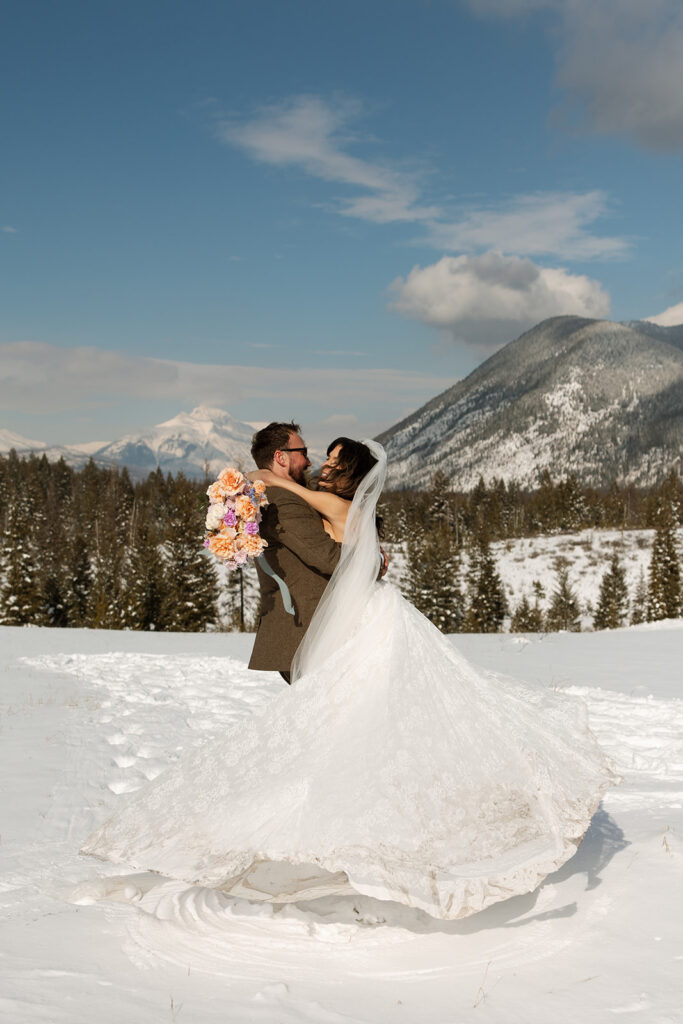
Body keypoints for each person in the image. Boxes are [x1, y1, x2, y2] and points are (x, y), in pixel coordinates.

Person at [80, 439, 617, 921]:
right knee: (359, 724)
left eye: (333, 460)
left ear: (349, 473)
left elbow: (335, 534)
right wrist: (267, 487)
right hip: (356, 619)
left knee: (362, 723)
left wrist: (269, 482)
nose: (321, 464)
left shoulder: (336, 502)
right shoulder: (306, 499)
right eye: (315, 455)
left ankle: (368, 826)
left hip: (368, 622)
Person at [247, 421, 342, 684]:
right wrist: (374, 558)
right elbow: (329, 558)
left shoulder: (262, 495)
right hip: (310, 631)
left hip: (303, 630)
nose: (309, 461)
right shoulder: (283, 501)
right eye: (303, 451)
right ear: (281, 457)